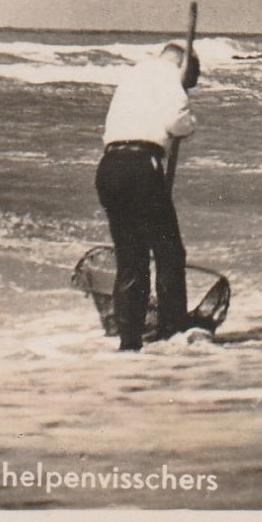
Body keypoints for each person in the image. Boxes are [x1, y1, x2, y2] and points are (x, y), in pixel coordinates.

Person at [95, 42, 199, 351]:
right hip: (141, 165)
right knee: (169, 253)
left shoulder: (134, 75)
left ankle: (129, 340)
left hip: (109, 167)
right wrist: (189, 124)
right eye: (191, 79)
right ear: (183, 66)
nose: (189, 84)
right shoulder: (170, 75)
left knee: (131, 258)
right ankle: (172, 331)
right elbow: (177, 123)